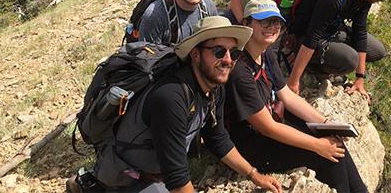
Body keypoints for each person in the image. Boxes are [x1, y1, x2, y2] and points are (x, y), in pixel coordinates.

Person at [71, 16, 282, 193]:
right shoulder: (170, 97)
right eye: (218, 51)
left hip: (158, 169)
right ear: (196, 54)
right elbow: (177, 175)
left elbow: (217, 138)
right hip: (129, 174)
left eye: (234, 53)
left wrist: (254, 174)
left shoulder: (214, 86)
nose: (228, 59)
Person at [225, 0, 368, 193]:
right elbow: (267, 127)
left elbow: (287, 96)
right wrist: (318, 146)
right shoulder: (240, 70)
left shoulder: (265, 53)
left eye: (276, 22)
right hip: (252, 145)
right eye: (264, 21)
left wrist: (326, 124)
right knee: (328, 154)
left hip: (271, 125)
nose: (272, 27)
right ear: (246, 23)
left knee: (333, 140)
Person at [285, 0, 391, 100]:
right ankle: (312, 69)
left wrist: (360, 78)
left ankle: (326, 60)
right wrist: (293, 81)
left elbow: (360, 31)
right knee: (350, 59)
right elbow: (312, 36)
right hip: (303, 35)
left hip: (330, 29)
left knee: (377, 50)